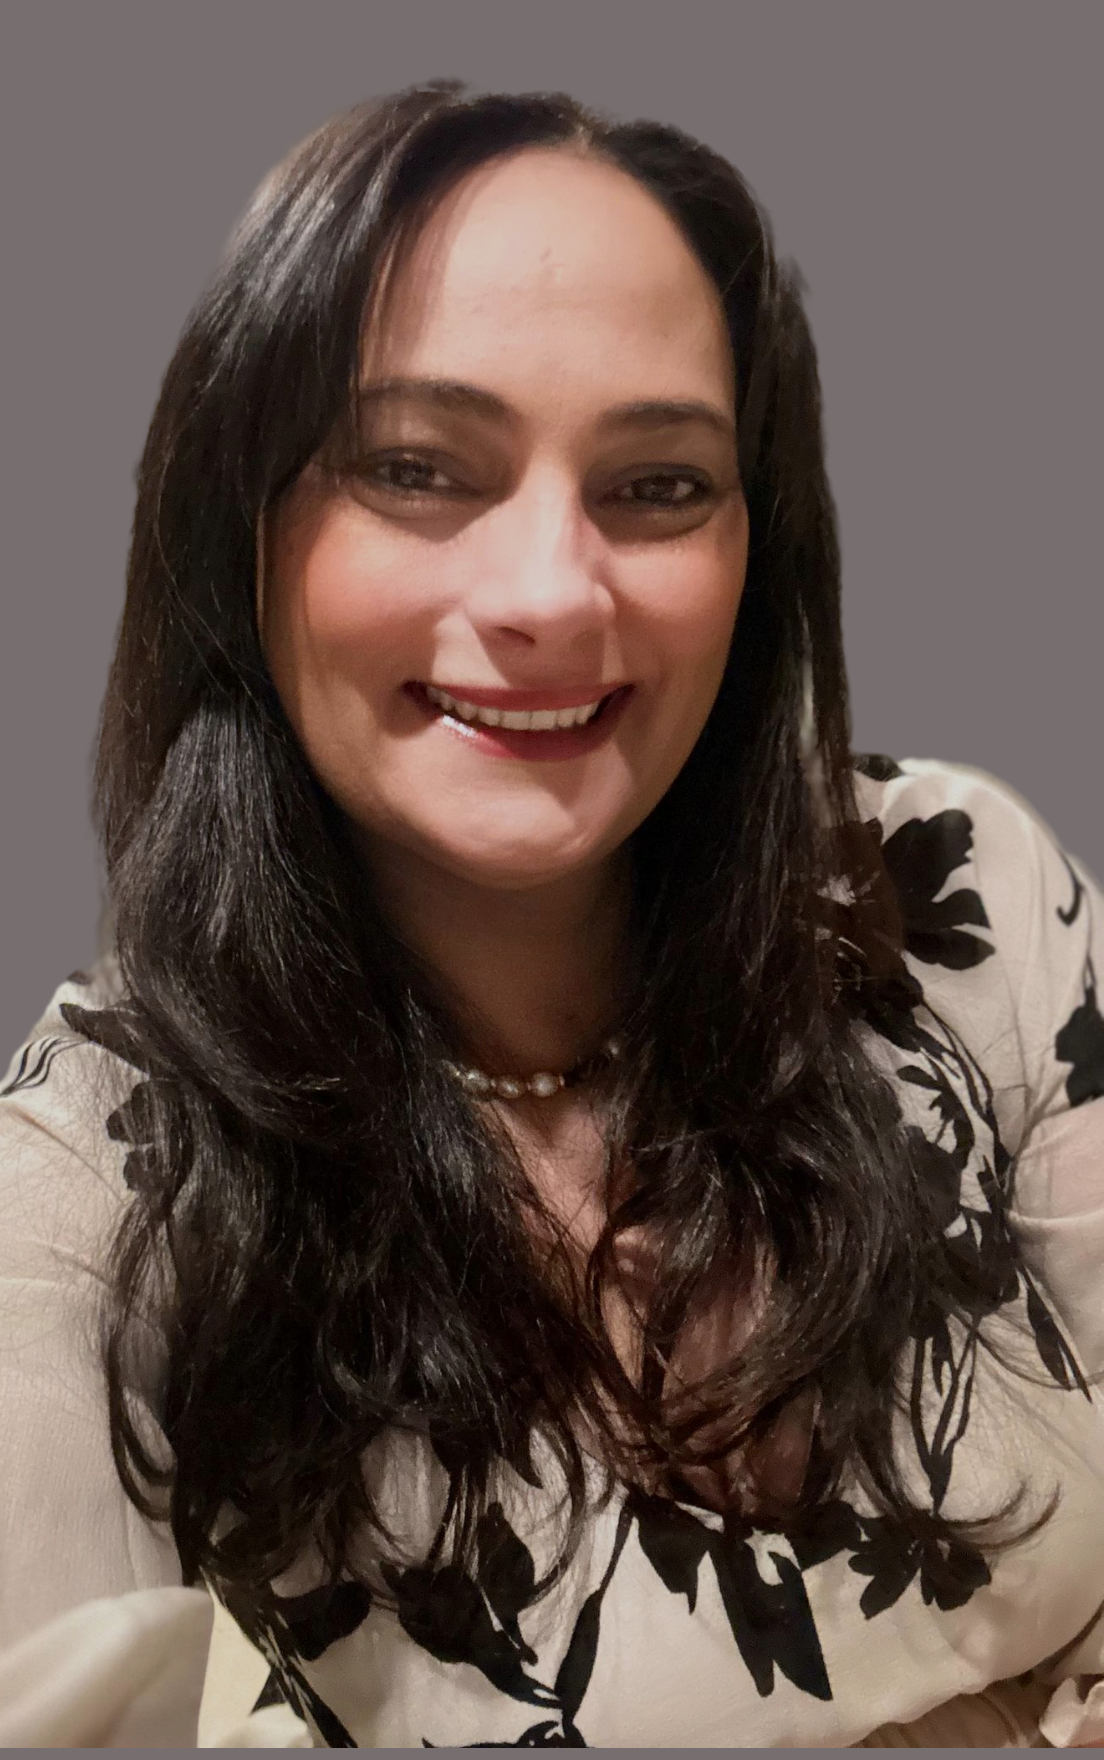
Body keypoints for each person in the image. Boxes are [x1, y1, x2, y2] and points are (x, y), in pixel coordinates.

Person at [1, 78, 1103, 1750]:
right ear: (241, 523)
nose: (549, 596)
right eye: (416, 466)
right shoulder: (95, 1194)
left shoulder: (952, 893)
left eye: (658, 487)